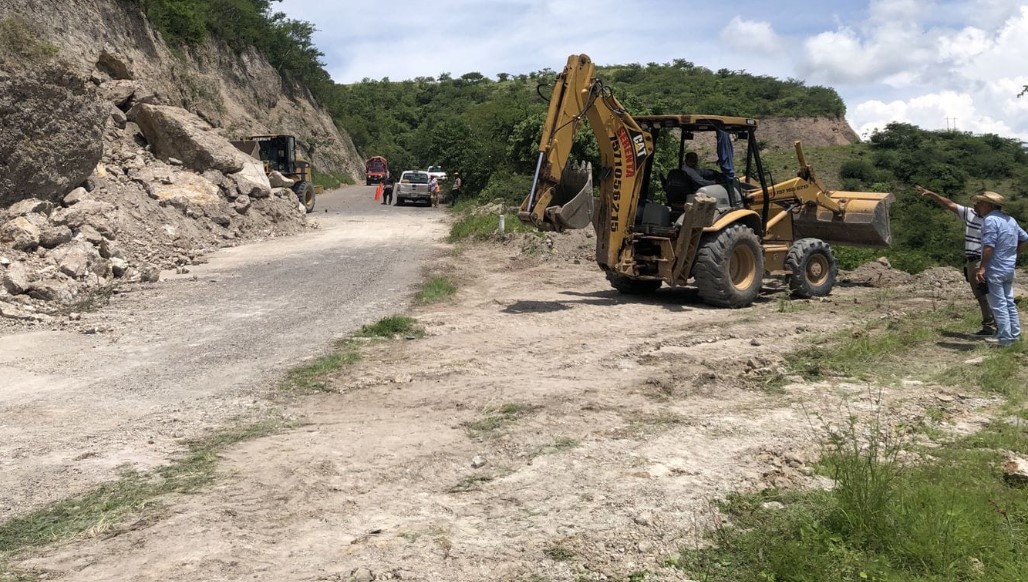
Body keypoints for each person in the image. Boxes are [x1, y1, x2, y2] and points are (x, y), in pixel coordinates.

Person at [916, 185, 996, 336]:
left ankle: (995, 327)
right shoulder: (970, 214)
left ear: (988, 204)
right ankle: (989, 326)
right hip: (972, 260)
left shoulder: (994, 220)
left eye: (978, 202)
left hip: (981, 261)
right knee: (980, 294)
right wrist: (933, 194)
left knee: (987, 293)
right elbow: (949, 204)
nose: (974, 205)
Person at [973, 191, 1028, 346]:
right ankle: (1014, 335)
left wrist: (982, 268)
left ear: (989, 205)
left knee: (998, 304)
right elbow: (1025, 239)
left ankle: (1004, 339)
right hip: (1008, 268)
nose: (977, 206)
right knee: (1009, 302)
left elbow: (989, 246)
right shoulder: (1010, 220)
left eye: (980, 203)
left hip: (994, 268)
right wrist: (1013, 253)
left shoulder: (990, 220)